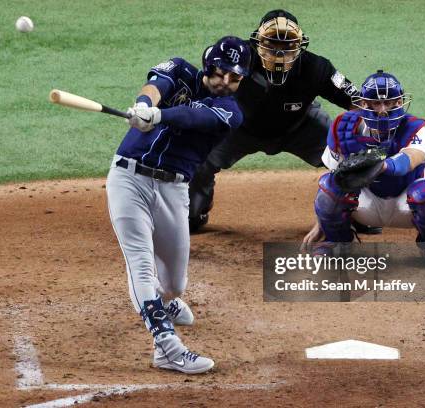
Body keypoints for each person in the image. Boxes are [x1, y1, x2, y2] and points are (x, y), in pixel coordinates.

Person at [106, 36, 251, 374]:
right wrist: (144, 103)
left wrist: (157, 115)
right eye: (220, 73)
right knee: (141, 265)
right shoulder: (181, 70)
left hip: (174, 190)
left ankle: (160, 303)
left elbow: (192, 118)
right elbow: (157, 85)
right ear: (207, 64)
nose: (225, 83)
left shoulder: (232, 111)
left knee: (174, 285)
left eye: (235, 78)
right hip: (129, 180)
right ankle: (167, 348)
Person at [188, 9, 382, 235]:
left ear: (300, 46)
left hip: (300, 127)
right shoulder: (238, 58)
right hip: (238, 129)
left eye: (288, 45)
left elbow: (357, 101)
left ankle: (357, 210)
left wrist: (373, 129)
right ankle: (195, 210)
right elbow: (207, 82)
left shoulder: (316, 68)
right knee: (198, 155)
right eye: (271, 44)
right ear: (256, 43)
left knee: (351, 153)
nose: (278, 52)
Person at [303, 70, 425, 267]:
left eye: (389, 102)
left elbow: (411, 158)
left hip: (406, 204)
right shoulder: (343, 128)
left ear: (399, 102)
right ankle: (337, 242)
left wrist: (382, 165)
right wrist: (321, 225)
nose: (383, 110)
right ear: (364, 104)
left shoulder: (415, 129)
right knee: (328, 185)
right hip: (366, 203)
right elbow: (335, 177)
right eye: (376, 103)